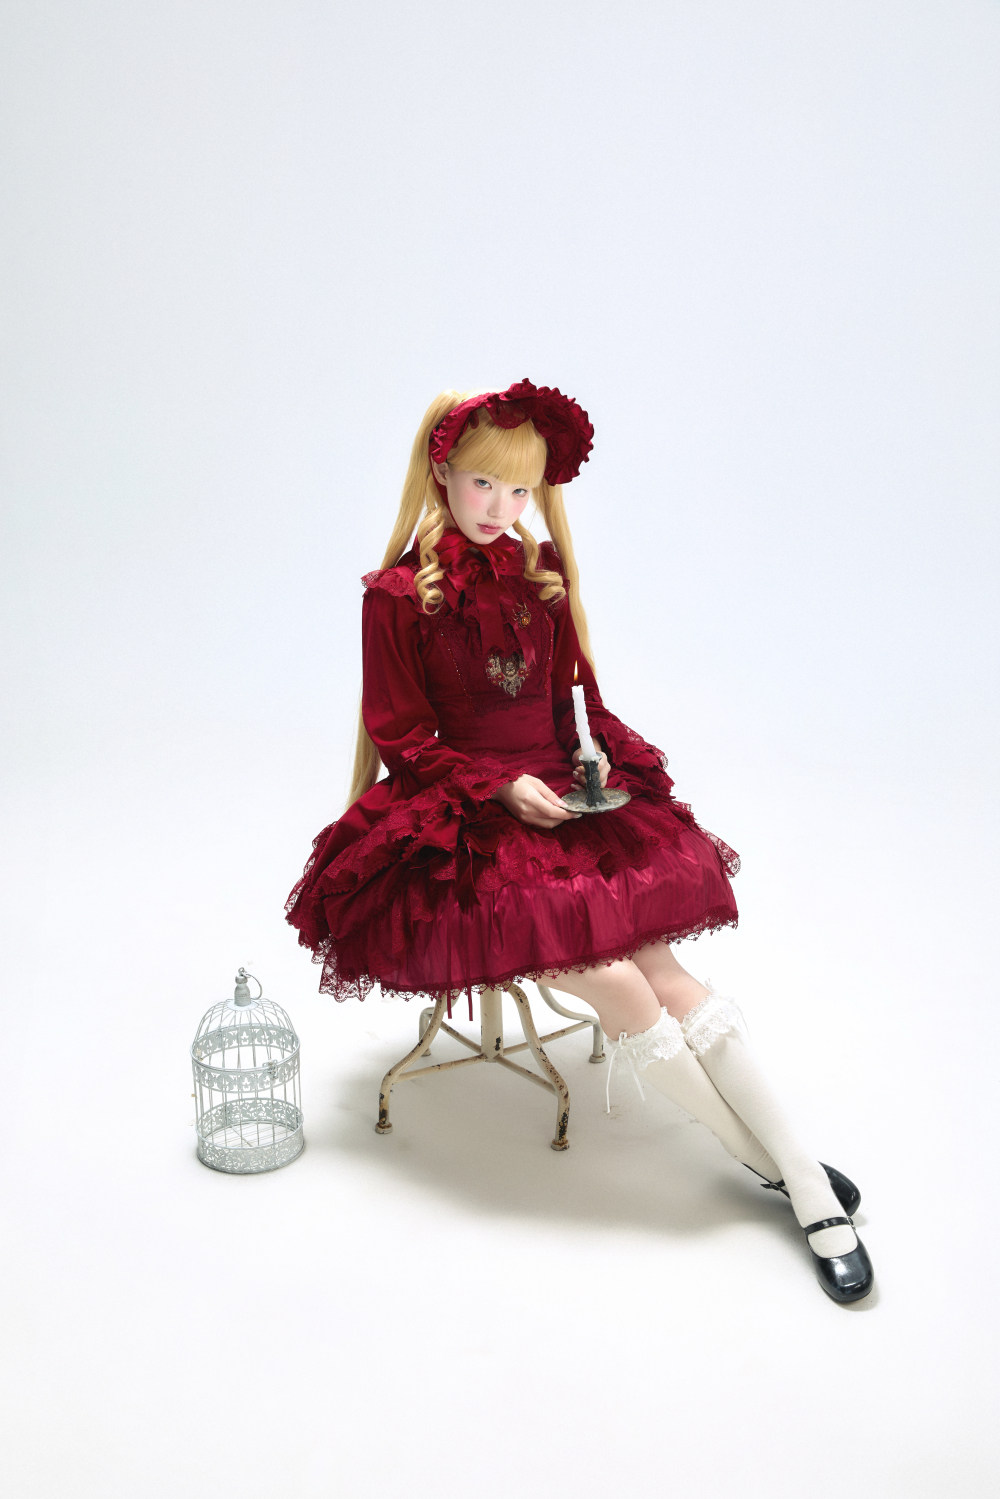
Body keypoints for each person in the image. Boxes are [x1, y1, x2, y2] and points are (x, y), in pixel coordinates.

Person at [285, 378, 874, 1305]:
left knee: (667, 974)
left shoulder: (542, 576)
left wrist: (592, 759)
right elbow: (402, 736)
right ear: (442, 474)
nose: (501, 507)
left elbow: (577, 702)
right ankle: (794, 1179)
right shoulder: (398, 595)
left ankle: (794, 1169)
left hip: (564, 802)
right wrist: (498, 786)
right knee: (619, 982)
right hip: (471, 821)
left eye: (519, 490)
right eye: (483, 483)